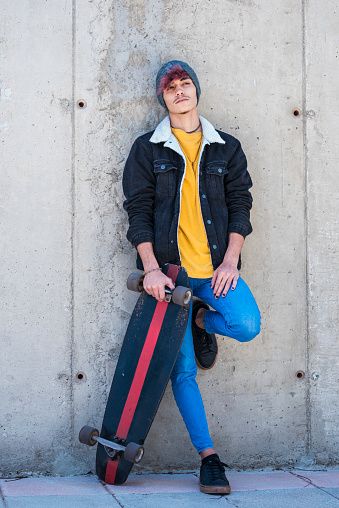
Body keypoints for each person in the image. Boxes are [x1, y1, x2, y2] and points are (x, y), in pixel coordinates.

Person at [122, 60, 261, 495]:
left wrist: (231, 261)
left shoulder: (226, 147)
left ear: (196, 91)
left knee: (247, 324)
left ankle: (202, 321)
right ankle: (209, 459)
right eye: (170, 88)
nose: (179, 91)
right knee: (182, 372)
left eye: (185, 84)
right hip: (172, 280)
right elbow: (138, 212)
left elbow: (241, 202)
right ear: (162, 98)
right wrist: (149, 269)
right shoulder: (147, 149)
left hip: (217, 269)